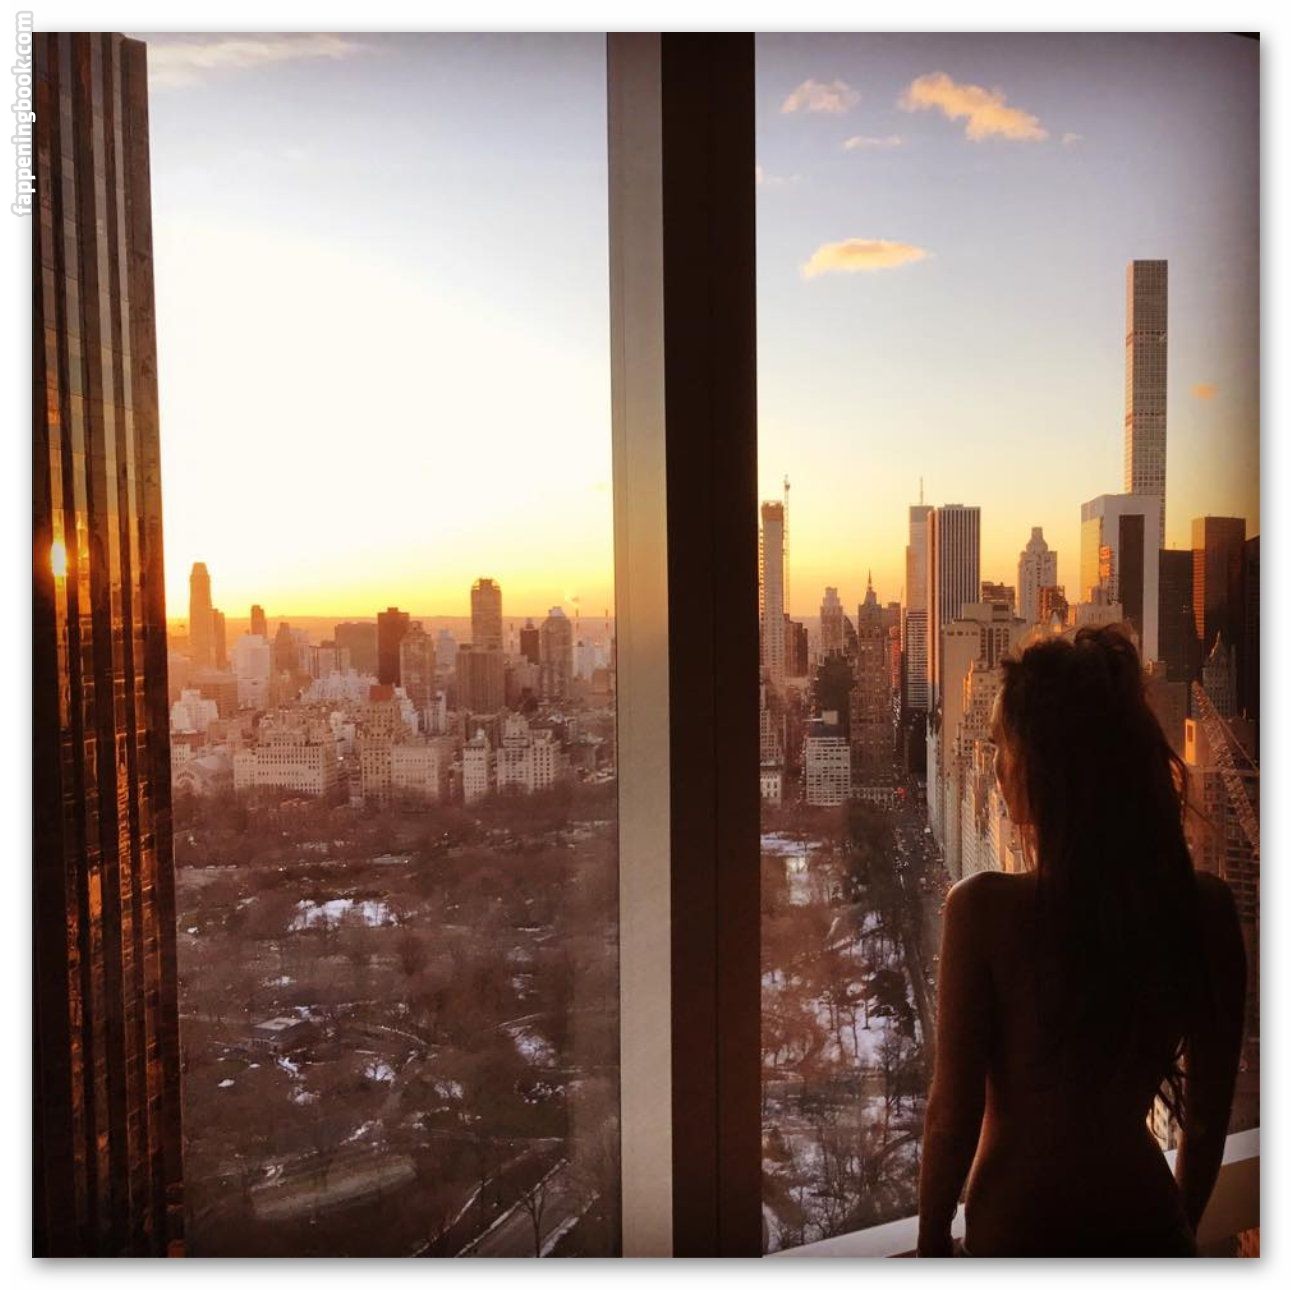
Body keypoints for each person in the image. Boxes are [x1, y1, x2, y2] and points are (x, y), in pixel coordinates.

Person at [916, 626, 1246, 1257]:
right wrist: (1174, 1233)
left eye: (1002, 746)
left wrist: (932, 1248)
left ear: (1043, 764)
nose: (995, 766)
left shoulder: (982, 911)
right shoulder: (1204, 909)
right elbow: (1206, 1120)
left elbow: (951, 1116)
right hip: (1147, 1227)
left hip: (1017, 1235)